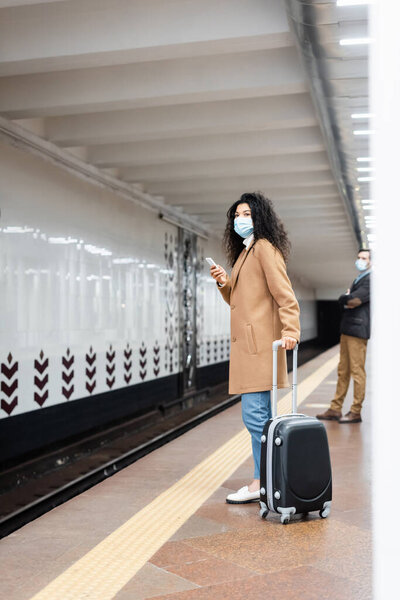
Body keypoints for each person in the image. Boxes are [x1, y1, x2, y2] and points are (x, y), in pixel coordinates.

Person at [210, 192, 300, 504]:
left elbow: (284, 294)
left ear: (259, 218)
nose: (240, 220)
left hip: (260, 346)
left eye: (247, 214)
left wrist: (291, 330)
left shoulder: (263, 248)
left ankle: (261, 482)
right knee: (258, 418)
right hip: (251, 346)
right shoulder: (245, 254)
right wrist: (225, 282)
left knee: (256, 416)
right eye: (236, 215)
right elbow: (239, 301)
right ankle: (265, 479)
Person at [317, 249, 371, 424]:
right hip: (348, 329)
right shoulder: (360, 278)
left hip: (357, 329)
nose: (360, 260)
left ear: (371, 261)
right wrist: (346, 299)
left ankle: (355, 411)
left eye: (364, 258)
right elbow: (350, 300)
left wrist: (344, 298)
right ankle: (335, 408)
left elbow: (354, 300)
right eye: (359, 257)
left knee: (357, 371)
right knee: (343, 370)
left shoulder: (371, 279)